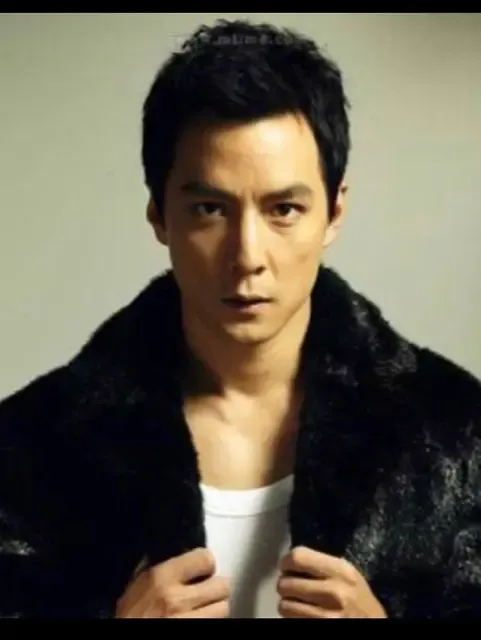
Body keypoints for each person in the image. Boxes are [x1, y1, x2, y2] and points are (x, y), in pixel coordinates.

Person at [0, 18, 480, 620]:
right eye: (209, 209)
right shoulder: (30, 449)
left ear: (334, 213)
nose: (247, 255)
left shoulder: (453, 434)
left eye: (284, 209)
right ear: (159, 215)